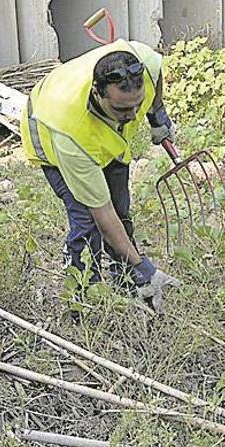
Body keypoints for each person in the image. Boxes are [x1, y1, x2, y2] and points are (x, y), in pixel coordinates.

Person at [19, 39, 179, 313]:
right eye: (121, 110)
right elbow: (102, 213)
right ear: (97, 93)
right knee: (86, 221)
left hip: (98, 132)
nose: (131, 116)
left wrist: (157, 113)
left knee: (121, 208)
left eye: (137, 106)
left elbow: (156, 69)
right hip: (49, 132)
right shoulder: (70, 132)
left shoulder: (142, 63)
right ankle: (84, 298)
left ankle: (129, 281)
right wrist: (147, 267)